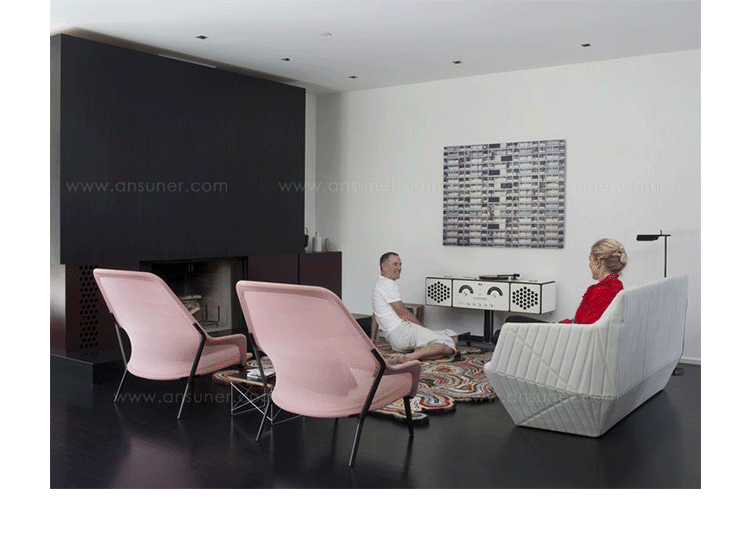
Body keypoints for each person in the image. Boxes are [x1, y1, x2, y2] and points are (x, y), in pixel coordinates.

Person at [492, 238, 628, 344]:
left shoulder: (603, 291)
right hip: (568, 332)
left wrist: (557, 328)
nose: (589, 265)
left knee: (503, 332)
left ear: (599, 263)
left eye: (590, 261)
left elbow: (583, 332)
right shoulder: (615, 286)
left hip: (565, 338)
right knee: (511, 320)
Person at [372, 252, 458, 362]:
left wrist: (372, 339)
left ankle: (418, 351)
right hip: (403, 332)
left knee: (452, 336)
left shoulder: (379, 284)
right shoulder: (387, 284)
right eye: (395, 264)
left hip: (396, 340)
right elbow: (402, 312)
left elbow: (375, 314)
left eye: (400, 264)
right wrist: (422, 328)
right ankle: (413, 356)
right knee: (449, 346)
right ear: (384, 266)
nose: (399, 268)